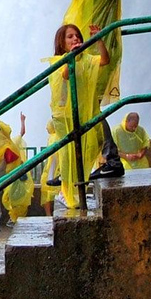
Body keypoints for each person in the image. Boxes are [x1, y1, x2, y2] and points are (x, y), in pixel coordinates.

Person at [63, 0, 124, 179]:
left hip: (103, 46)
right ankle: (105, 159)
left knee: (92, 107)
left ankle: (111, 159)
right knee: (91, 108)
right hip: (101, 42)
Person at [46, 24, 109, 209]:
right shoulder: (58, 60)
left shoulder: (86, 59)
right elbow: (65, 75)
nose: (75, 39)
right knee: (68, 154)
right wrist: (72, 56)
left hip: (83, 112)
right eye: (70, 37)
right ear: (61, 42)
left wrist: (99, 41)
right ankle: (65, 192)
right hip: (63, 115)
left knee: (95, 142)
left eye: (78, 36)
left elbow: (105, 60)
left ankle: (76, 185)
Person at [2, 113, 34, 227]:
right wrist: (22, 121)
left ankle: (14, 218)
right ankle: (16, 217)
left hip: (11, 175)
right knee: (17, 197)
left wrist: (22, 121)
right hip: (20, 173)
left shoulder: (5, 145)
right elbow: (22, 132)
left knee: (11, 197)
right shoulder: (13, 142)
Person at [40, 119, 61, 216]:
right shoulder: (59, 136)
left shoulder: (53, 137)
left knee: (46, 194)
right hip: (57, 169)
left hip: (52, 170)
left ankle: (48, 215)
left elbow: (52, 157)